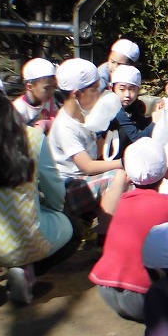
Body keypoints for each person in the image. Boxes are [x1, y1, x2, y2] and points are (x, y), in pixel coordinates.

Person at [0, 66, 73, 305]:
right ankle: (26, 271)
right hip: (24, 242)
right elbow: (55, 191)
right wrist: (54, 209)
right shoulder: (33, 138)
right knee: (71, 229)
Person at [90, 138, 168, 322]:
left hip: (107, 289)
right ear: (166, 172)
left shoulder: (121, 202)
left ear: (128, 176)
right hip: (144, 297)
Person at [48, 58, 125, 233]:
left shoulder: (85, 116)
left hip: (81, 181)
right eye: (94, 89)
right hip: (66, 189)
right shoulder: (65, 126)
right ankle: (104, 236)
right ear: (77, 94)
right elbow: (87, 166)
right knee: (118, 176)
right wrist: (123, 162)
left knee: (124, 178)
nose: (99, 94)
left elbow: (95, 152)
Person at [107, 65, 153, 153]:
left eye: (132, 90)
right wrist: (155, 122)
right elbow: (137, 139)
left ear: (138, 90)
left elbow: (142, 123)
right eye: (122, 89)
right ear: (111, 88)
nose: (127, 95)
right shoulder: (114, 108)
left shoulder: (134, 106)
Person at [12, 57, 59, 133]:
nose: (52, 92)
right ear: (30, 87)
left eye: (54, 87)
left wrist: (45, 124)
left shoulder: (49, 100)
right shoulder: (18, 109)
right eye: (47, 88)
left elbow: (57, 121)